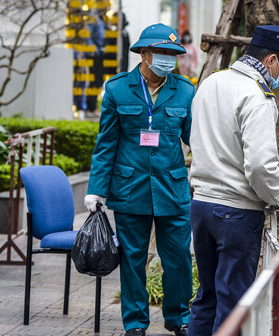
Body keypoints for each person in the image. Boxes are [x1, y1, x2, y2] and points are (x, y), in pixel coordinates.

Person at [84, 23, 195, 336]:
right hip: (129, 188)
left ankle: (178, 317)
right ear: (144, 54)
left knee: (178, 259)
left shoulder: (185, 91)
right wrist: (96, 190)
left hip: (172, 190)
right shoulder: (118, 89)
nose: (167, 59)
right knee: (133, 259)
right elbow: (106, 145)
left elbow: (197, 140)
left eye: (172, 54)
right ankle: (135, 323)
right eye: (161, 52)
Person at [187, 25, 279, 335]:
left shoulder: (211, 82)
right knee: (234, 302)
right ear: (272, 60)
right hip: (235, 212)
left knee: (206, 296)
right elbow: (261, 167)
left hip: (201, 204)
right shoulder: (258, 97)